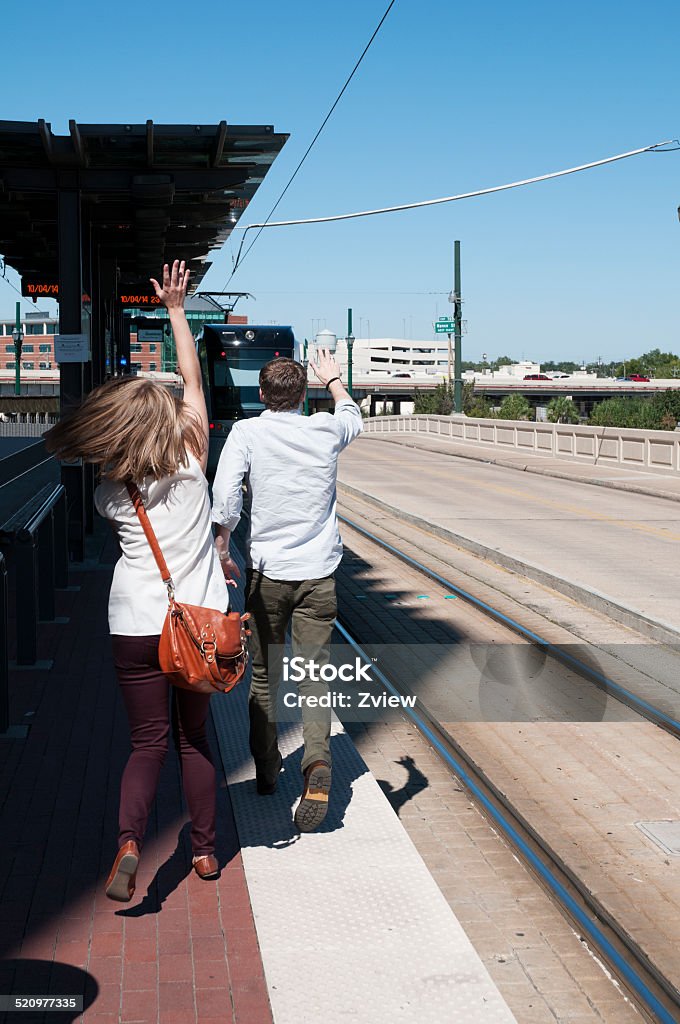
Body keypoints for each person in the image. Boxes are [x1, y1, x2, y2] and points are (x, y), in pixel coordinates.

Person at [44, 260, 233, 901]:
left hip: (132, 625)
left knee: (146, 744)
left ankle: (129, 843)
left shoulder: (111, 491)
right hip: (199, 623)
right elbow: (191, 377)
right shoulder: (193, 460)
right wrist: (177, 310)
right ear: (173, 425)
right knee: (194, 740)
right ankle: (204, 854)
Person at [211, 348, 362, 831]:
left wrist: (222, 542)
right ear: (303, 395)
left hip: (267, 575)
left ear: (261, 395)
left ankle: (267, 766)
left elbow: (227, 492)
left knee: (263, 676)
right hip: (318, 572)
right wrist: (334, 379)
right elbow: (352, 416)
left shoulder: (248, 432)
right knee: (314, 676)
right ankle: (317, 762)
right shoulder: (323, 427)